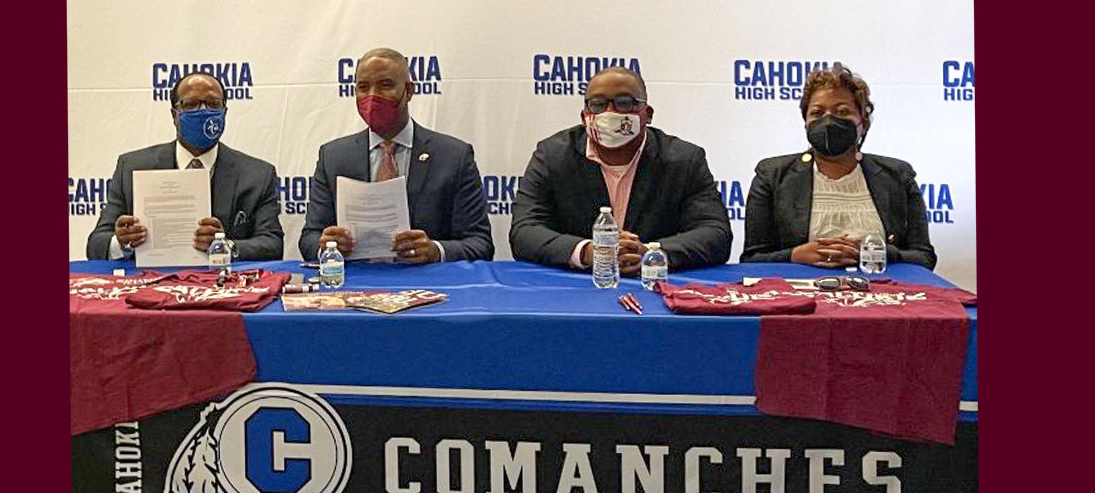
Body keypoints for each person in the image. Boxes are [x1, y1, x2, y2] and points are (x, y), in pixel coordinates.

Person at [509, 67, 731, 273]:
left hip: (655, 287)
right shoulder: (553, 156)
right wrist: (587, 252)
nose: (610, 113)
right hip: (578, 287)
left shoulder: (684, 160)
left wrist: (650, 253)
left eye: (624, 103)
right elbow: (525, 231)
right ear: (584, 116)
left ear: (648, 113)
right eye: (598, 104)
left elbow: (715, 233)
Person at [300, 47, 494, 263]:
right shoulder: (333, 157)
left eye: (386, 85)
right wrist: (327, 247)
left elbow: (481, 243)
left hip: (429, 285)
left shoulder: (453, 156)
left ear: (409, 91)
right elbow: (309, 239)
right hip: (356, 286)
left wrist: (435, 250)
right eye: (363, 87)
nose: (372, 96)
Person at [740, 63, 936, 269]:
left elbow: (924, 257)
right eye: (817, 113)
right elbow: (752, 259)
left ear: (863, 121)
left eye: (842, 112)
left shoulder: (898, 175)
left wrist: (878, 252)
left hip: (883, 291)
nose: (828, 121)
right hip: (800, 293)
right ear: (805, 122)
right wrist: (795, 255)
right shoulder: (772, 175)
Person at [86, 72, 284, 261]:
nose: (203, 111)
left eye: (213, 104)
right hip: (151, 286)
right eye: (190, 105)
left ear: (224, 112)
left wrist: (226, 246)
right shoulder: (132, 168)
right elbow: (96, 244)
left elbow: (273, 244)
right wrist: (122, 242)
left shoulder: (257, 175)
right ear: (174, 115)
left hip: (224, 288)